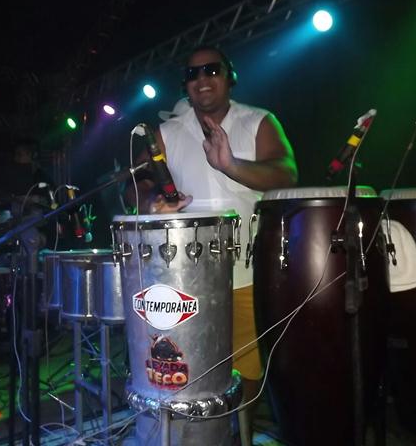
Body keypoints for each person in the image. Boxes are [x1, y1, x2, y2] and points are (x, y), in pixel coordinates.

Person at [127, 45, 297, 446]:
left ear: (230, 76)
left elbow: (287, 173)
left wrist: (231, 165)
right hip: (184, 278)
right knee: (189, 367)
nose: (202, 79)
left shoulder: (258, 121)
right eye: (192, 74)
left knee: (249, 365)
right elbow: (137, 186)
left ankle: (240, 432)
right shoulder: (167, 133)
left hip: (247, 271)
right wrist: (151, 202)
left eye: (211, 70)